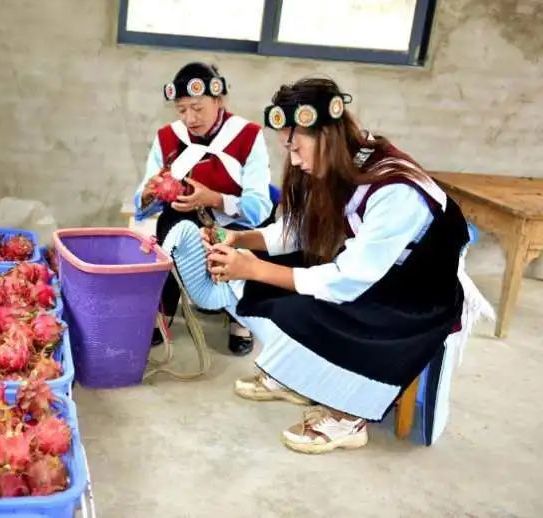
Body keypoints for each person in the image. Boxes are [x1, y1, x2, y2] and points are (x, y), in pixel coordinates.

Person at [161, 77, 486, 453]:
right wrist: (239, 239)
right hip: (375, 272)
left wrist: (252, 268)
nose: (295, 160)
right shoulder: (346, 161)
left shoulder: (396, 190)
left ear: (327, 137)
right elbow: (300, 230)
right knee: (270, 272)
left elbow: (348, 280)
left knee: (302, 305)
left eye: (297, 148)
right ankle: (297, 374)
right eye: (289, 149)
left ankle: (348, 416)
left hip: (417, 297)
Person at [134, 62, 274, 355]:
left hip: (234, 221)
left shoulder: (248, 135)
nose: (190, 118)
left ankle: (241, 318)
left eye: (197, 108)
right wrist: (148, 194)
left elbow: (260, 206)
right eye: (181, 110)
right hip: (186, 220)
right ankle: (161, 310)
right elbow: (142, 200)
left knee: (254, 234)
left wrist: (214, 199)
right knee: (169, 226)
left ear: (218, 100)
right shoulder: (168, 137)